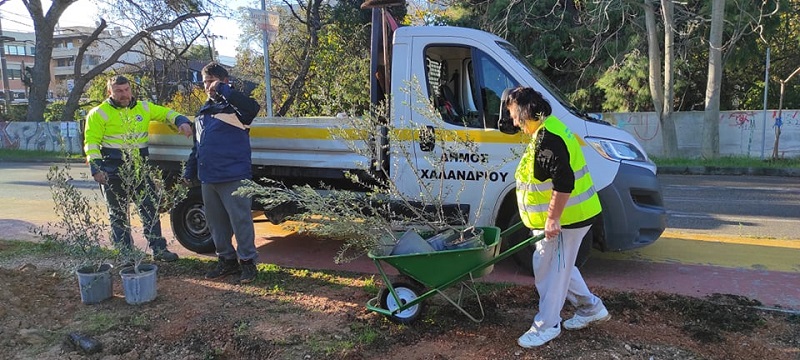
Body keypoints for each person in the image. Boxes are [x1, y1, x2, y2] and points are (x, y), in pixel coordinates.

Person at [505, 87, 610, 348]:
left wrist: (552, 219)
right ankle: (591, 307)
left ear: (524, 113)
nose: (514, 123)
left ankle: (547, 325)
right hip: (563, 218)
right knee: (551, 265)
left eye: (514, 116)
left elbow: (564, 182)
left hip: (571, 218)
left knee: (554, 270)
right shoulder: (545, 131)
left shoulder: (548, 139)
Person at [84, 75, 193, 262]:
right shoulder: (98, 113)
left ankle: (159, 250)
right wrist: (96, 169)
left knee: (149, 209)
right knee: (117, 214)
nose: (124, 94)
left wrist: (181, 120)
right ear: (110, 92)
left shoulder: (144, 107)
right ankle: (126, 254)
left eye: (126, 90)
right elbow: (91, 143)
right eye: (118, 91)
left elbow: (166, 113)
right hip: (112, 171)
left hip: (139, 170)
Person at [183, 62, 261, 284]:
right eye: (206, 82)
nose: (208, 86)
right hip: (209, 177)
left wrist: (224, 90)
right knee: (217, 225)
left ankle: (248, 263)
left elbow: (253, 108)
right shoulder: (203, 111)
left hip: (234, 175)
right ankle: (226, 261)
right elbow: (198, 146)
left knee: (241, 221)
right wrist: (190, 169)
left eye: (213, 81)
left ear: (225, 81)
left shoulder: (236, 108)